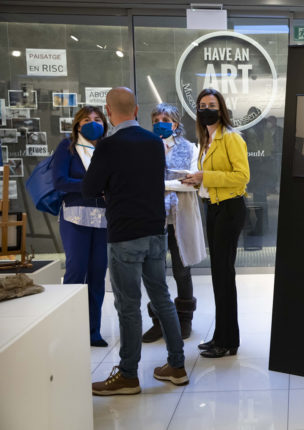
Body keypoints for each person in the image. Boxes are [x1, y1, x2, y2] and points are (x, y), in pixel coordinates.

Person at [84, 87, 188, 395]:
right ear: (137, 110)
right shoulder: (154, 143)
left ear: (108, 111)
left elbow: (90, 188)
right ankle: (177, 366)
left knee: (128, 306)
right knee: (162, 298)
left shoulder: (107, 146)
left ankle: (128, 375)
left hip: (124, 234)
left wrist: (110, 187)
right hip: (155, 230)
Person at [182, 88, 250, 358]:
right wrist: (194, 180)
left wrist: (204, 177)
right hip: (212, 207)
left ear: (221, 110)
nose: (206, 109)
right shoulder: (206, 139)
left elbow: (241, 177)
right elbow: (208, 176)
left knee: (224, 275)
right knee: (219, 275)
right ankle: (221, 335)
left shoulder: (231, 137)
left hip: (229, 208)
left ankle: (228, 341)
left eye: (211, 105)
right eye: (202, 105)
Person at [142, 103, 206, 342]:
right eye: (156, 119)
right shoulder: (145, 147)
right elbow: (140, 180)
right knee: (154, 272)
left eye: (165, 120)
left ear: (176, 124)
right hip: (153, 216)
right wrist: (175, 182)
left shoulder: (190, 148)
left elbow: (192, 182)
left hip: (180, 215)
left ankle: (184, 319)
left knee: (182, 270)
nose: (160, 123)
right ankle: (159, 321)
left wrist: (160, 184)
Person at [51, 105, 109, 347]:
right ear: (77, 124)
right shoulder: (67, 147)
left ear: (104, 124)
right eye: (86, 119)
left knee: (97, 275)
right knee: (76, 273)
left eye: (97, 119)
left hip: (103, 218)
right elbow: (59, 181)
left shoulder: (108, 148)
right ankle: (70, 330)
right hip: (74, 216)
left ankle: (93, 331)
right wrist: (91, 186)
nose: (92, 123)